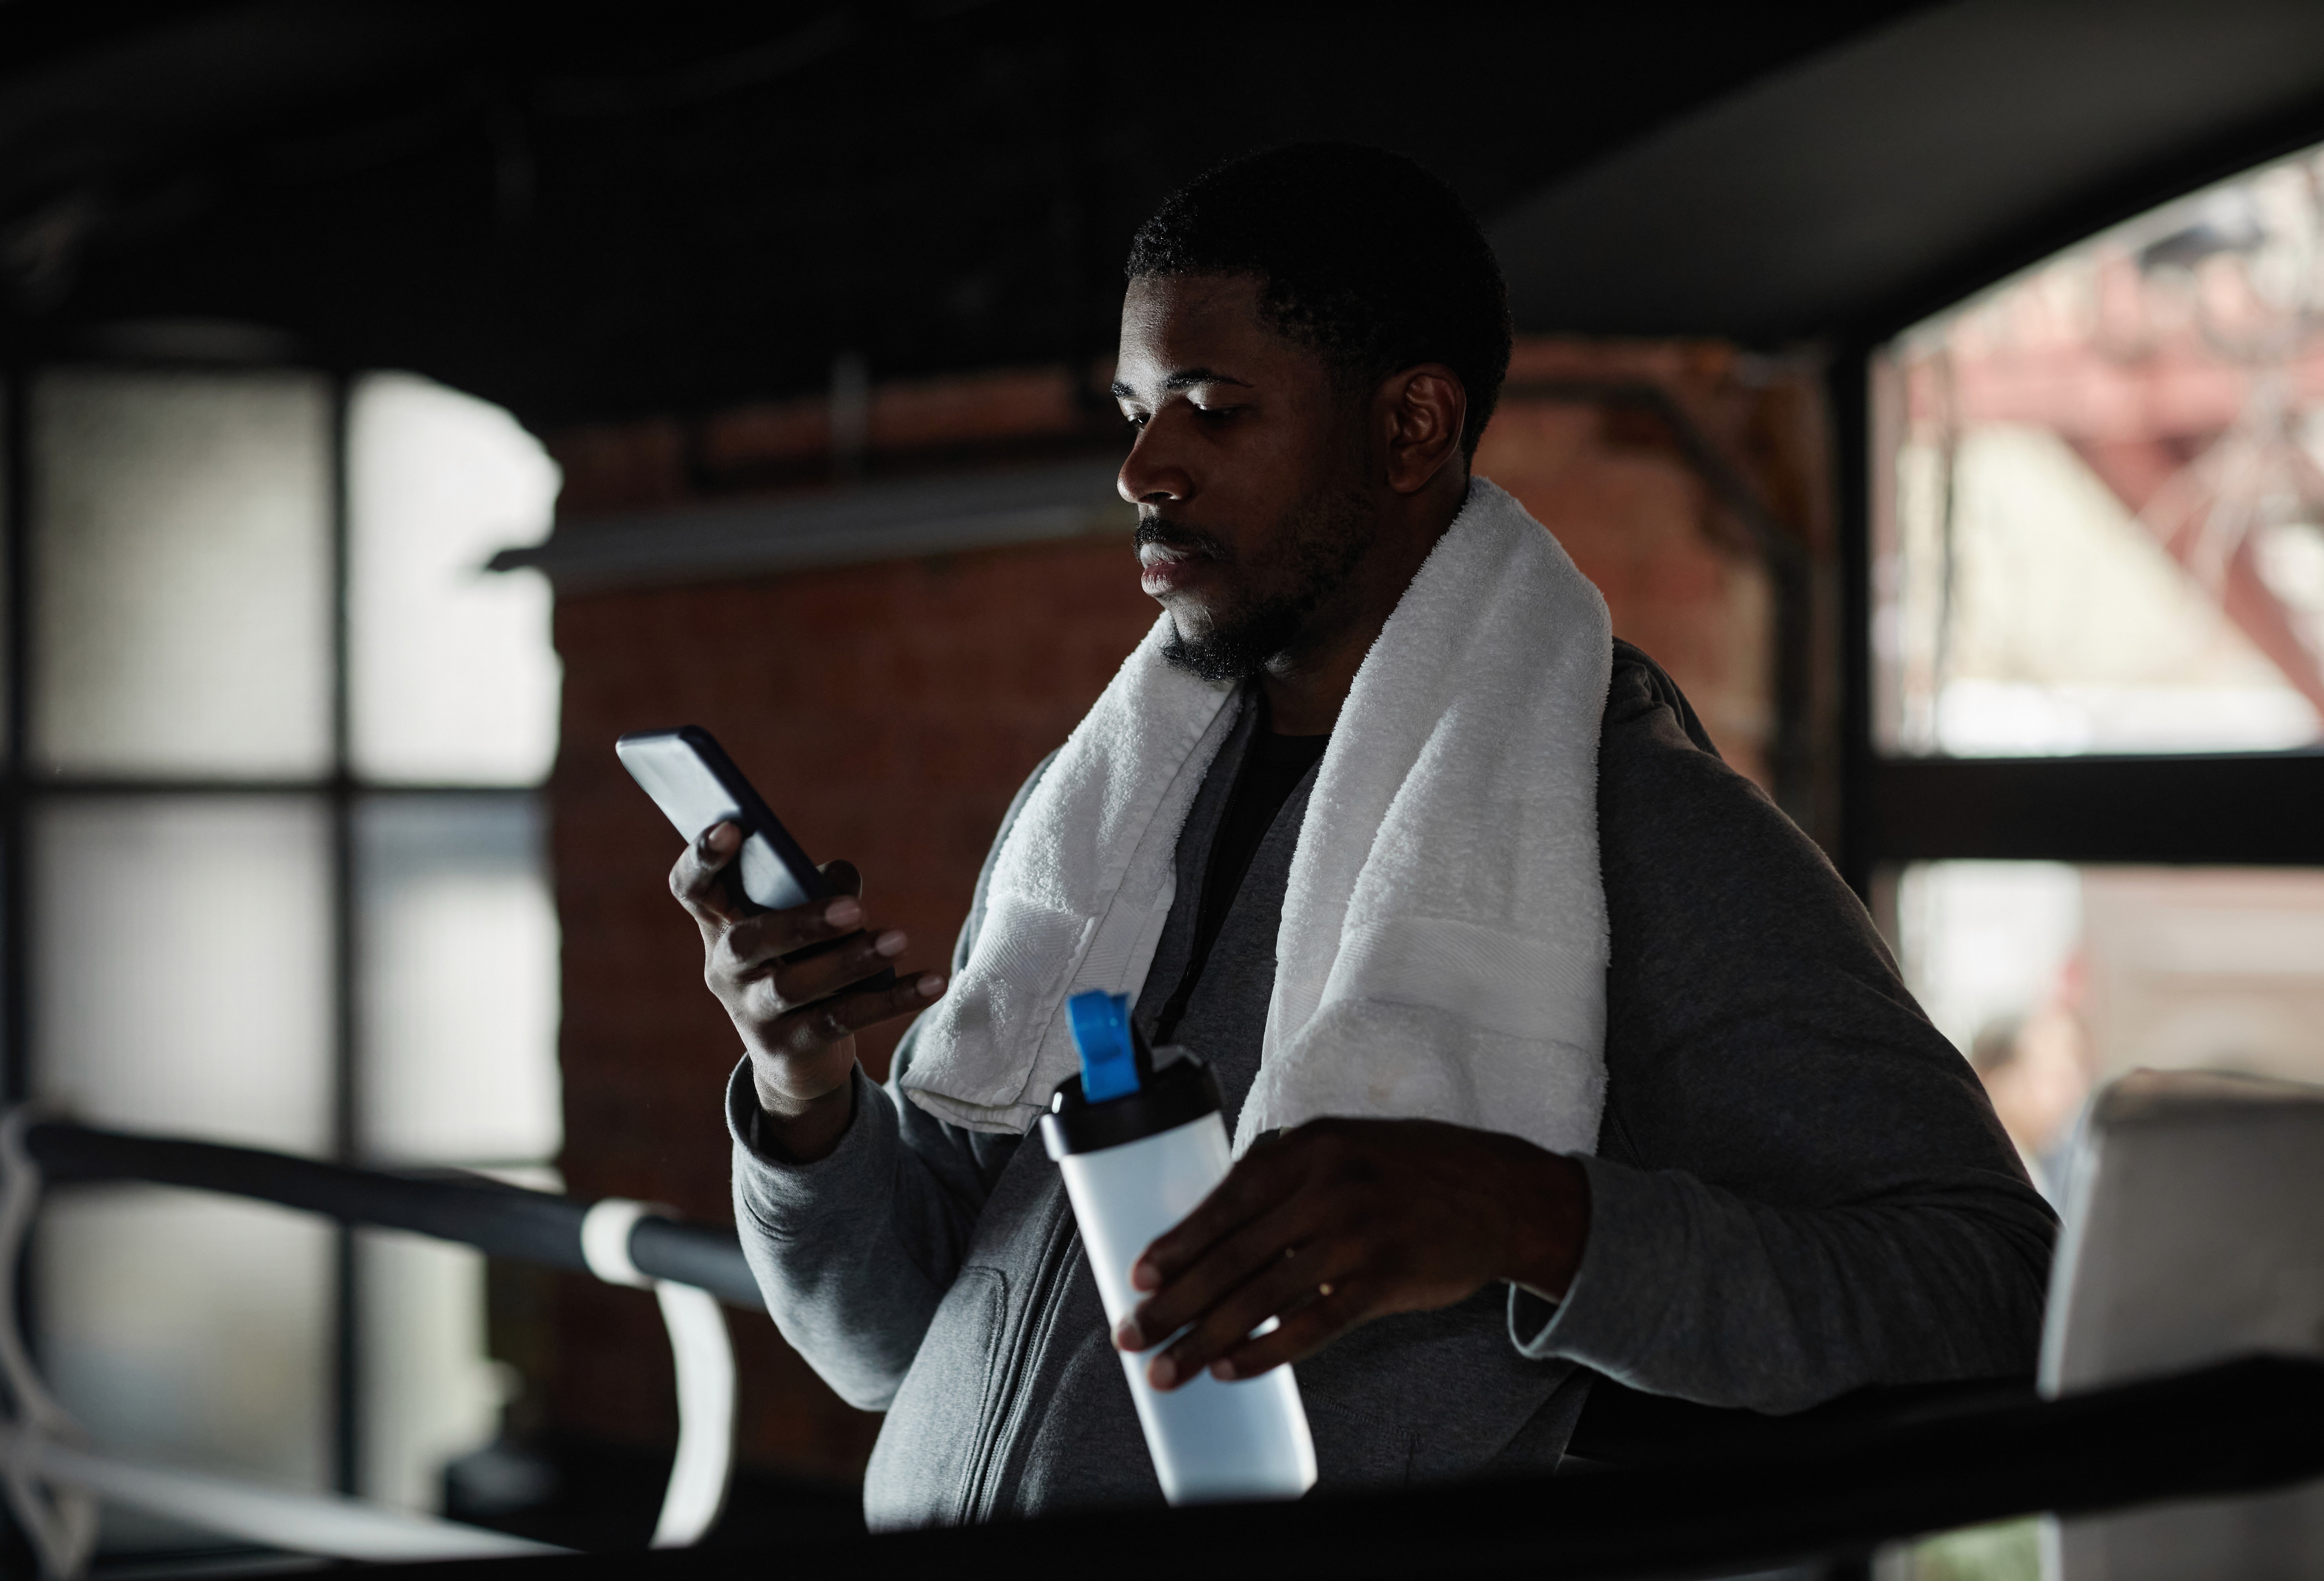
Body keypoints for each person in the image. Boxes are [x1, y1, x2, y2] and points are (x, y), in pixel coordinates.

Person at [668, 144, 2056, 1529]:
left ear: (1411, 428)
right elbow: (885, 1344)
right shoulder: (1093, 818)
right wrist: (806, 1092)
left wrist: (1533, 1221)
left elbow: (1992, 1285)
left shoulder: (1633, 824)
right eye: (1137, 408)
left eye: (1211, 410)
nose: (1143, 469)